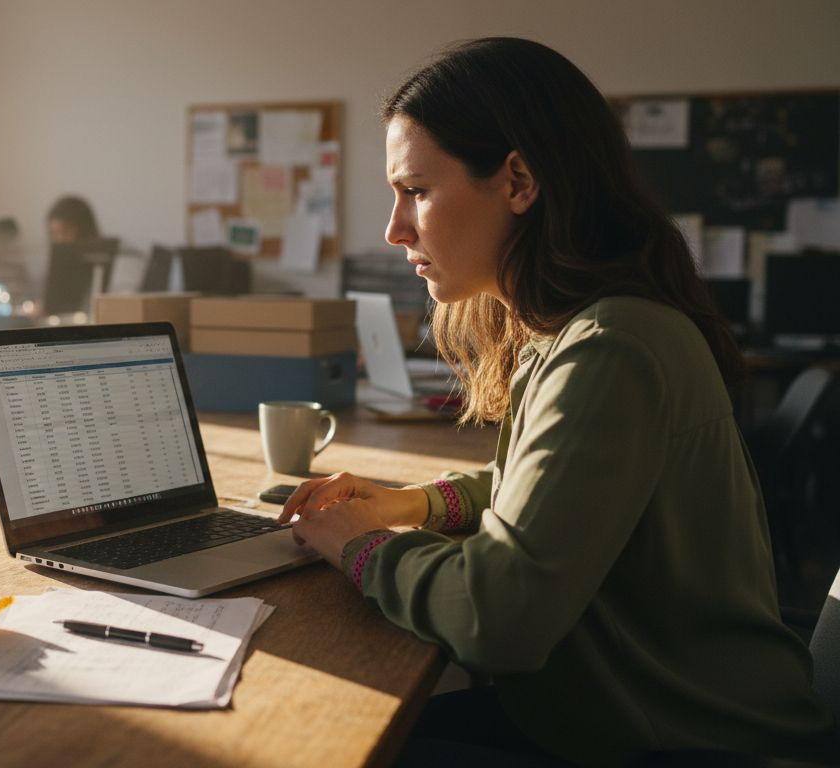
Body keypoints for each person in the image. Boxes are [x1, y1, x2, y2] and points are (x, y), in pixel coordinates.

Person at [277, 38, 836, 764]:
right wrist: (408, 505)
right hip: (624, 722)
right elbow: (540, 488)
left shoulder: (612, 345)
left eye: (415, 190)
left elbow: (494, 620)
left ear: (518, 181)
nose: (394, 228)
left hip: (693, 747)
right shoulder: (573, 330)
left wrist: (359, 544)